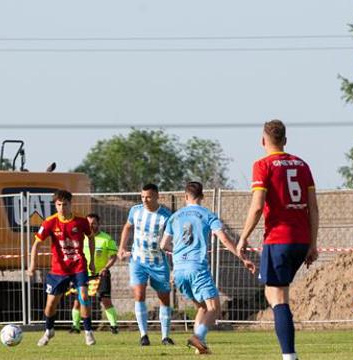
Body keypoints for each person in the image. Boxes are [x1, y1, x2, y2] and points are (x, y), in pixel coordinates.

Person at [237, 120, 319, 360]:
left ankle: (289, 356)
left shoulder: (262, 165)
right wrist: (312, 244)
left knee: (278, 297)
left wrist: (243, 238)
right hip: (301, 240)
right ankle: (289, 351)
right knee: (274, 294)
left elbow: (257, 207)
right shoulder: (302, 165)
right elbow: (313, 208)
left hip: (278, 239)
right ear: (285, 140)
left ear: (263, 141)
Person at [161, 182, 256, 354]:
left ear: (185, 196)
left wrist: (179, 254)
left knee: (203, 308)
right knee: (214, 308)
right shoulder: (207, 215)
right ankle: (198, 337)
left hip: (179, 271)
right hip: (197, 268)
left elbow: (163, 245)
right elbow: (224, 239)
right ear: (202, 196)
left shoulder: (174, 217)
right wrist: (243, 258)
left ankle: (200, 347)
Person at [27, 190, 96, 346]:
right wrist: (32, 265)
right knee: (50, 304)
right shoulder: (49, 222)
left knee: (84, 296)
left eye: (65, 204)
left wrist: (91, 261)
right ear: (55, 205)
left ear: (71, 204)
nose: (62, 208)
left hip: (78, 266)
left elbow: (91, 238)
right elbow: (36, 244)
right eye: (59, 205)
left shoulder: (81, 221)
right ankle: (49, 331)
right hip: (58, 270)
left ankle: (88, 332)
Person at [117, 183, 174, 346]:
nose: (144, 200)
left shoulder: (167, 216)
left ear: (156, 196)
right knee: (139, 294)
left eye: (148, 197)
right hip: (138, 261)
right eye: (142, 196)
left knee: (164, 298)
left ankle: (165, 337)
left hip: (158, 263)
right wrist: (122, 247)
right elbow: (127, 227)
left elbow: (172, 239)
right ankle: (143, 335)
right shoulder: (135, 210)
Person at [68, 213, 120, 334]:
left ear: (98, 224)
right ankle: (76, 326)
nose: (91, 226)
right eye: (88, 223)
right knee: (78, 300)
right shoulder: (80, 237)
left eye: (94, 223)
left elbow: (113, 256)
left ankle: (114, 326)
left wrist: (105, 268)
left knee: (105, 299)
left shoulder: (106, 238)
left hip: (101, 274)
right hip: (82, 274)